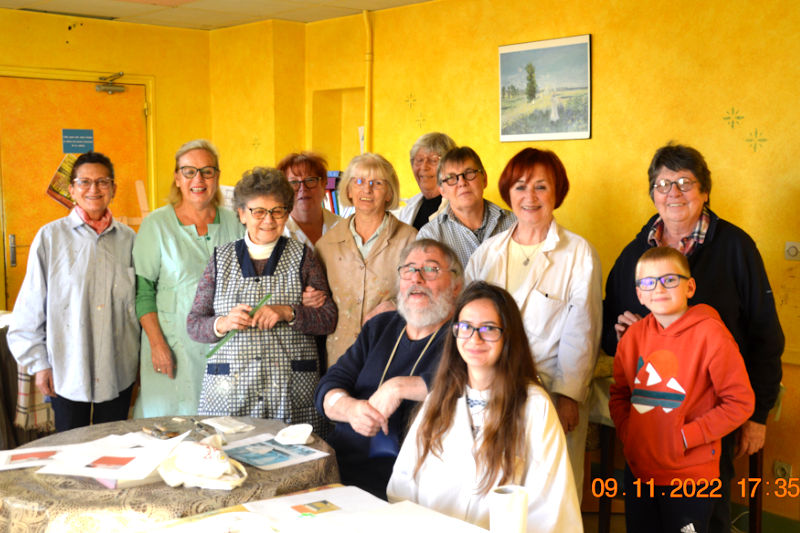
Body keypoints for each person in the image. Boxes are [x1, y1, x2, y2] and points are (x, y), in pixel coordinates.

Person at [602, 143, 784, 533]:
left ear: (705, 192)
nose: (673, 193)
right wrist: (620, 332)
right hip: (649, 438)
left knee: (702, 520)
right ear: (652, 193)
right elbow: (607, 330)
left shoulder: (736, 248)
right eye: (663, 184)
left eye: (685, 183)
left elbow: (766, 335)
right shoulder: (634, 254)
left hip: (706, 425)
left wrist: (757, 415)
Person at [387, 281, 580, 531]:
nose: (474, 339)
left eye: (488, 329)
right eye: (465, 327)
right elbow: (402, 488)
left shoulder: (535, 407)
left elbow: (553, 509)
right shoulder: (438, 399)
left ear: (508, 336)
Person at [465, 147, 601, 496]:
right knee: (494, 486)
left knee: (551, 491)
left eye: (541, 186)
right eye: (521, 186)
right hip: (489, 389)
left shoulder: (578, 253)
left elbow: (583, 330)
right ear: (508, 192)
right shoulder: (487, 253)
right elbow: (466, 323)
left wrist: (568, 395)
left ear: (557, 193)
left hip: (549, 390)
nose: (530, 197)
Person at [609, 246, 755, 533]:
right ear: (639, 294)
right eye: (648, 282)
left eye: (670, 280)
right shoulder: (632, 337)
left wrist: (687, 436)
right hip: (639, 473)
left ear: (690, 287)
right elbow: (619, 395)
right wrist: (630, 434)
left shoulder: (711, 334)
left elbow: (739, 402)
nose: (659, 288)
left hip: (691, 480)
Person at [187, 167, 336, 434]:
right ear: (242, 214)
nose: (268, 220)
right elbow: (194, 323)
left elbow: (328, 319)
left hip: (289, 390)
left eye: (277, 211)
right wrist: (223, 323)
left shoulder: (303, 257)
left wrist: (289, 312)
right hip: (231, 392)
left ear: (287, 213)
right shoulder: (221, 260)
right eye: (258, 211)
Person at [314, 239, 463, 499]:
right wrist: (351, 410)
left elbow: (471, 383)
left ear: (456, 286)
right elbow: (329, 387)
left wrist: (397, 387)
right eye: (408, 269)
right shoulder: (381, 327)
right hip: (338, 470)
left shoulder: (464, 335)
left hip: (406, 483)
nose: (417, 277)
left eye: (430, 269)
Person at [8, 151, 139, 432]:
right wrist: (40, 364)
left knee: (114, 447)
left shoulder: (129, 240)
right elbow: (30, 308)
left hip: (118, 368)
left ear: (114, 188)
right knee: (70, 451)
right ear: (71, 189)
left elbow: (139, 305)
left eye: (103, 182)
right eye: (84, 182)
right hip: (66, 369)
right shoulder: (50, 238)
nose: (94, 189)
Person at [133, 139, 243, 417]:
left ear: (217, 177)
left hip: (224, 344)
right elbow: (143, 293)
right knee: (169, 428)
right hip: (172, 345)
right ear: (177, 178)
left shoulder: (235, 222)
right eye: (189, 171)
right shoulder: (156, 225)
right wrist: (157, 345)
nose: (199, 179)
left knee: (221, 430)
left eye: (207, 171)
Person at [315, 153, 417, 367]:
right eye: (359, 181)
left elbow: (426, 294)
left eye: (377, 183)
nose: (367, 189)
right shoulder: (326, 245)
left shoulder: (411, 240)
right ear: (349, 190)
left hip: (392, 355)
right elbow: (319, 304)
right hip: (339, 357)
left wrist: (395, 306)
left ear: (389, 193)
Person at [417, 146, 515, 269]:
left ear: (484, 179)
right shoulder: (430, 236)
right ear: (442, 190)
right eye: (451, 178)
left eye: (469, 173)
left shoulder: (515, 224)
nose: (462, 183)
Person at [277, 151, 342, 246]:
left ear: (324, 183)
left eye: (310, 180)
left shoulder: (343, 228)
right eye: (294, 182)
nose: (303, 189)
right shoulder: (276, 233)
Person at [394, 132, 457, 230]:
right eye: (419, 160)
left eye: (433, 160)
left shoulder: (460, 207)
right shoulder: (407, 210)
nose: (424, 167)